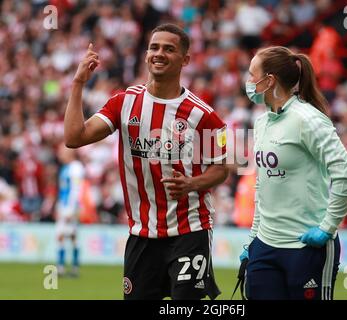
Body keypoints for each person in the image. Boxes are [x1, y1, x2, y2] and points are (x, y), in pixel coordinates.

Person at [64, 23, 228, 300]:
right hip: (141, 234)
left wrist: (192, 183)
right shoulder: (124, 102)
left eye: (169, 49)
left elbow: (222, 169)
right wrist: (79, 83)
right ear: (146, 54)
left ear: (185, 60)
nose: (159, 53)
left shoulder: (204, 115)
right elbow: (74, 137)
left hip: (190, 231)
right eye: (154, 47)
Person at [239, 46, 347, 300]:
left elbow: (346, 174)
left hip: (306, 248)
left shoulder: (308, 119)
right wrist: (253, 239)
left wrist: (327, 228)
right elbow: (263, 186)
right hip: (265, 247)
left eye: (252, 75)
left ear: (269, 80)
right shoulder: (261, 122)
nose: (248, 82)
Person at [55, 144, 85, 277]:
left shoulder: (76, 168)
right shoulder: (66, 167)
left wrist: (72, 209)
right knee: (67, 235)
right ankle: (68, 267)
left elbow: (75, 190)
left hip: (70, 206)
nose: (60, 154)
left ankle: (70, 267)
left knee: (67, 235)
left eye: (62, 151)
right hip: (64, 205)